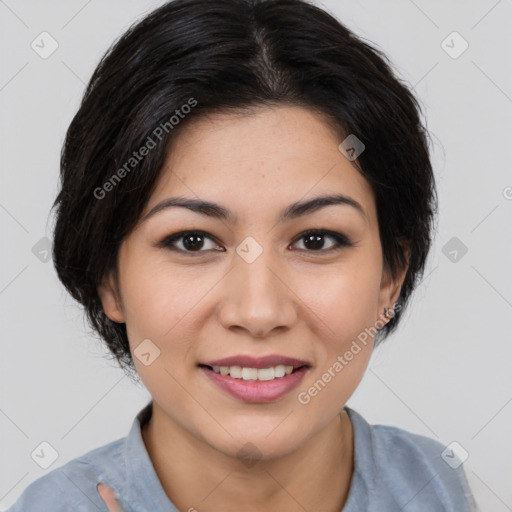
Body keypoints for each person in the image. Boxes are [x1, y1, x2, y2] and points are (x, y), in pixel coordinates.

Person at [8, 0, 479, 510]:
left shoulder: (432, 485)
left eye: (316, 240)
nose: (258, 312)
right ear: (109, 279)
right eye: (193, 241)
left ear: (391, 275)